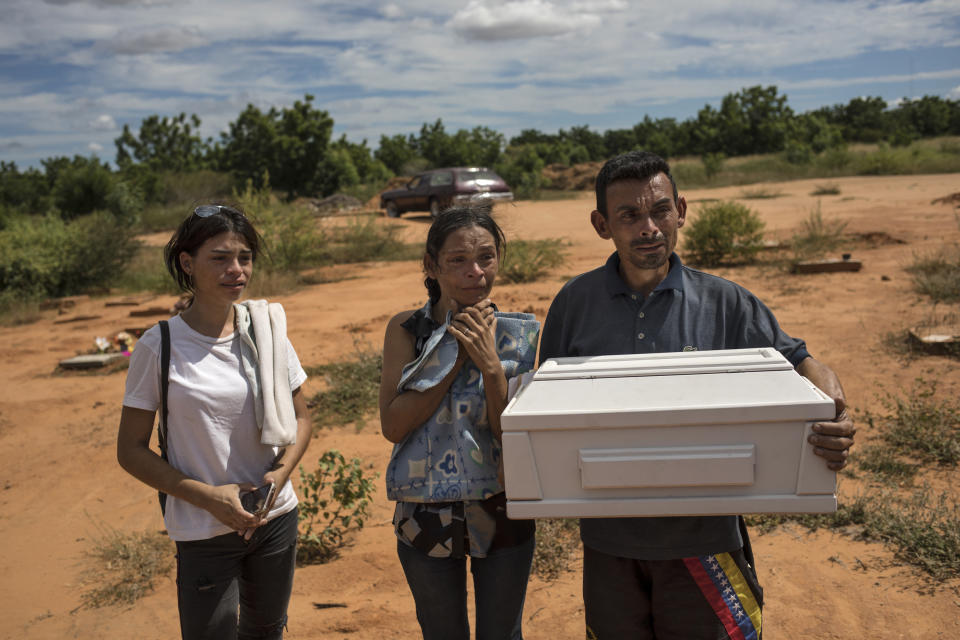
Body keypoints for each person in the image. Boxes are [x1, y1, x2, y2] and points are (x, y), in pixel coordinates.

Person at [538, 151, 856, 640]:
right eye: (629, 215)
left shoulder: (726, 302)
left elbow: (803, 367)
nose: (649, 228)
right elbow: (548, 411)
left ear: (681, 211)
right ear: (602, 224)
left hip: (706, 540)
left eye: (660, 210)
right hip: (608, 542)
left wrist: (832, 412)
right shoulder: (573, 306)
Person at [117, 203, 312, 640]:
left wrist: (278, 478)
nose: (236, 269)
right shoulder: (159, 345)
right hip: (204, 526)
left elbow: (302, 418)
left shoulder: (266, 329)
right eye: (220, 258)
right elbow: (129, 450)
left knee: (267, 630)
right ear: (187, 263)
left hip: (274, 516)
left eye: (244, 257)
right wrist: (209, 498)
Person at [379, 205, 540, 640]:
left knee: (502, 633)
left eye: (486, 257)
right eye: (458, 261)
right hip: (424, 514)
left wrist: (491, 368)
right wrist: (454, 358)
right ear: (430, 265)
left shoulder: (518, 335)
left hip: (502, 506)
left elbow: (510, 435)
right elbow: (393, 426)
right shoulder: (407, 330)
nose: (476, 272)